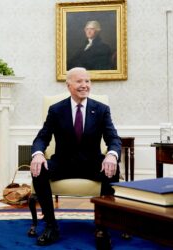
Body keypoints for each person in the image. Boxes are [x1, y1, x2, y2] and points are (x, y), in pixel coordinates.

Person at [30, 67, 121, 247]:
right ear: (69, 85)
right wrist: (38, 154)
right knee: (38, 170)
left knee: (113, 169)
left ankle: (103, 227)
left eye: (87, 81)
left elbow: (113, 138)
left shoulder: (101, 109)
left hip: (92, 163)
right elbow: (42, 137)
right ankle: (51, 226)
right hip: (63, 162)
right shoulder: (56, 110)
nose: (84, 85)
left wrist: (111, 155)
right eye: (79, 81)